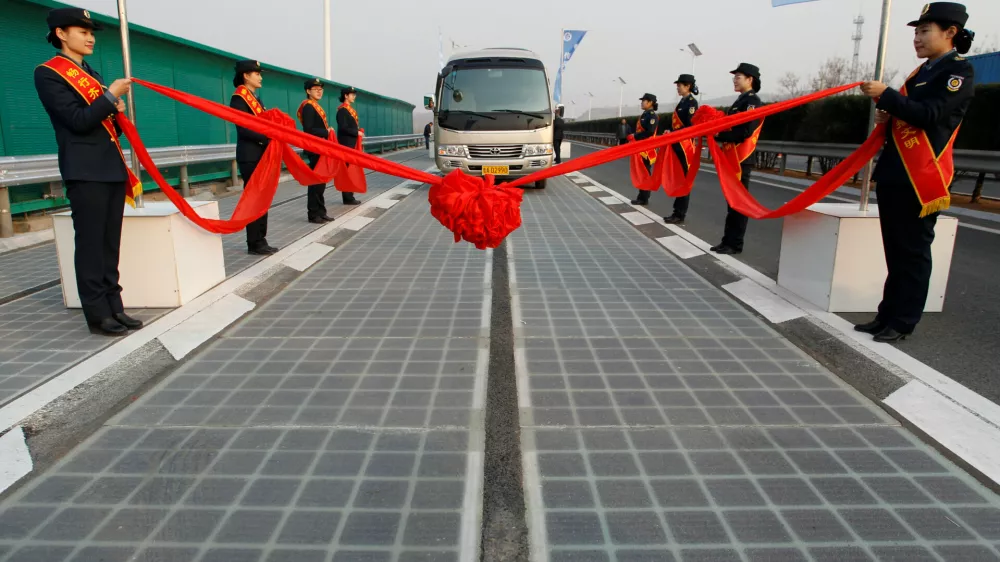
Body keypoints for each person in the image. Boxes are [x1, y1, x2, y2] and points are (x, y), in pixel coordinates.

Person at [855, 2, 976, 343]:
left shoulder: (957, 73)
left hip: (922, 176)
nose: (917, 39)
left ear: (950, 33)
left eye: (925, 31)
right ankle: (886, 314)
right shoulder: (921, 73)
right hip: (895, 172)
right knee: (894, 249)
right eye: (916, 32)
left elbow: (930, 115)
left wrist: (888, 96)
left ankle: (904, 320)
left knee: (912, 252)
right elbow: (909, 112)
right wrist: (888, 114)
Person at [34, 8, 143, 336]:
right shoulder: (49, 73)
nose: (90, 36)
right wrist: (110, 97)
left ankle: (115, 306)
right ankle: (97, 314)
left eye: (91, 31)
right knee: (92, 243)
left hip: (110, 167)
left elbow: (103, 126)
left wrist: (114, 110)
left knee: (110, 244)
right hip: (84, 170)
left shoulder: (91, 74)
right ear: (61, 34)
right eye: (82, 30)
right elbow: (78, 121)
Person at [710, 63, 763, 255]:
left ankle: (735, 243)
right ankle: (727, 241)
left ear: (750, 80)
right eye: (734, 76)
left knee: (738, 203)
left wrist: (717, 135)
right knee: (732, 202)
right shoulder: (740, 101)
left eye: (738, 76)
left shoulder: (752, 102)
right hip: (732, 157)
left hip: (742, 157)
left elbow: (744, 132)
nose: (734, 79)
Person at [230, 59, 277, 255]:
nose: (260, 77)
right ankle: (254, 242)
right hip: (250, 156)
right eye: (256, 73)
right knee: (254, 198)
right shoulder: (239, 99)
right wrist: (267, 138)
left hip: (261, 155)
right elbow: (244, 128)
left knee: (262, 198)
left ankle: (261, 239)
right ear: (246, 75)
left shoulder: (256, 99)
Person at [664, 74, 700, 224]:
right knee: (679, 179)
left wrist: (672, 133)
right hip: (677, 143)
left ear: (688, 86)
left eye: (680, 85)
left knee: (684, 181)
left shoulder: (691, 103)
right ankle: (676, 211)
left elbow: (689, 127)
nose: (677, 88)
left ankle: (680, 214)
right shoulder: (682, 102)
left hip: (685, 146)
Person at [298, 77, 334, 224]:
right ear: (308, 91)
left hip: (320, 147)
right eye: (315, 89)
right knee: (316, 182)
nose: (319, 91)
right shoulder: (308, 107)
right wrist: (326, 132)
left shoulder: (315, 106)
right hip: (314, 148)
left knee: (321, 182)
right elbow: (309, 129)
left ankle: (321, 211)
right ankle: (313, 213)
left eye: (321, 89)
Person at [630, 93, 659, 205]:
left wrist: (635, 136)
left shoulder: (652, 116)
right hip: (640, 148)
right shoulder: (645, 114)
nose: (641, 102)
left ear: (650, 102)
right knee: (642, 173)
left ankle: (644, 198)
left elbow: (649, 132)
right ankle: (641, 196)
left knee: (645, 173)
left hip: (647, 149)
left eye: (644, 101)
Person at [335, 86, 362, 205]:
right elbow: (343, 128)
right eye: (352, 94)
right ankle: (347, 197)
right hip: (345, 144)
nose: (354, 96)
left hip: (351, 143)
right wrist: (356, 132)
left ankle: (350, 195)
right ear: (346, 96)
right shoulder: (342, 111)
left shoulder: (349, 110)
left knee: (350, 170)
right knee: (346, 170)